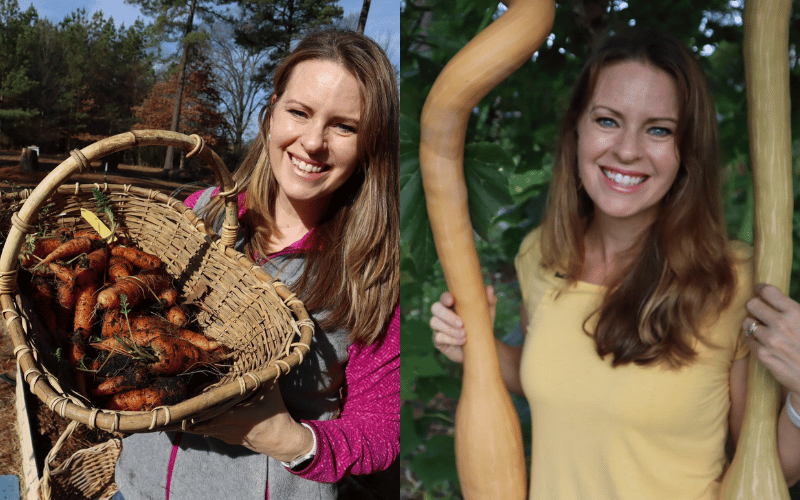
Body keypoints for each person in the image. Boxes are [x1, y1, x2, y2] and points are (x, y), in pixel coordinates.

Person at [430, 27, 800, 499]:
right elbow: (560, 383)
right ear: (577, 130)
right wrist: (476, 345)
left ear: (686, 151)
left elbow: (771, 467)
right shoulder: (541, 254)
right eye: (608, 121)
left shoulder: (732, 281)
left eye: (658, 130)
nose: (627, 150)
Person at [113, 28, 399, 500]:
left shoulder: (373, 269)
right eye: (299, 112)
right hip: (138, 491)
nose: (312, 142)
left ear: (370, 144)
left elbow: (382, 428)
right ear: (270, 114)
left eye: (344, 126)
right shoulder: (199, 213)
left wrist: (284, 439)